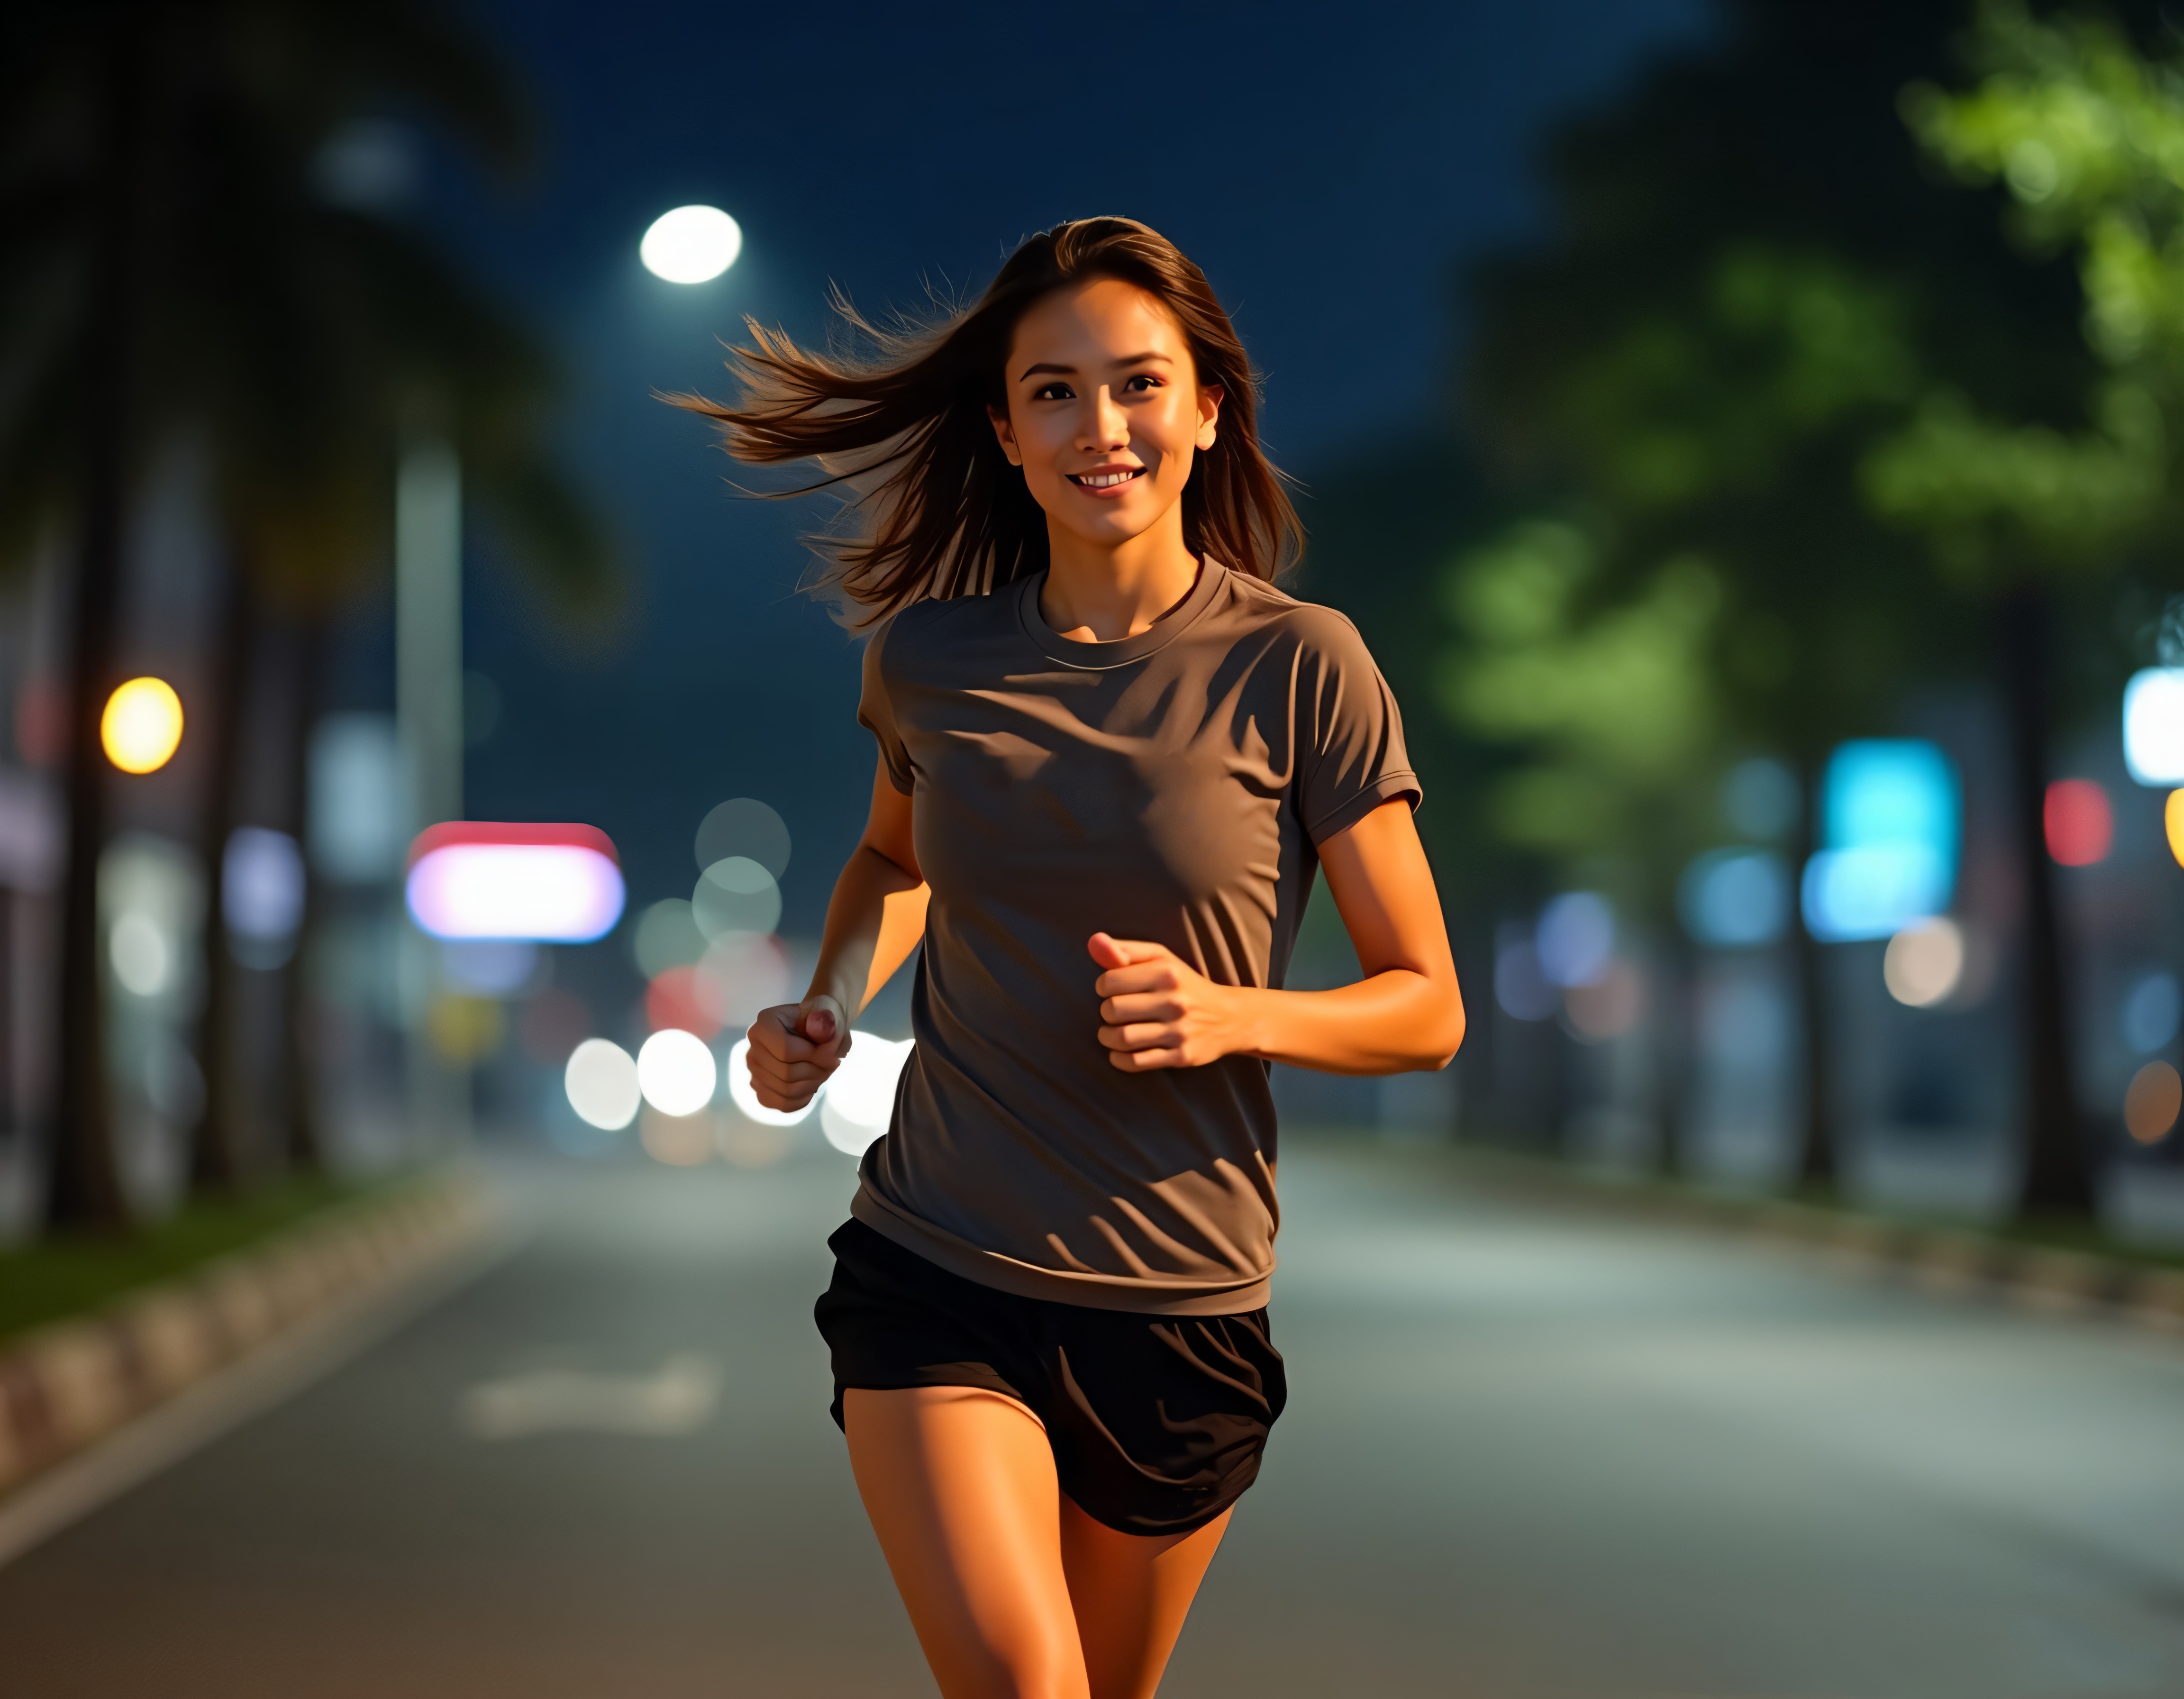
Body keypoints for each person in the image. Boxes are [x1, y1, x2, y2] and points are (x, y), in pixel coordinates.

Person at [679, 217, 1465, 1699]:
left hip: (1184, 1303)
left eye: (1139, 385)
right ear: (1006, 428)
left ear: (1208, 408)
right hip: (940, 1257)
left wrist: (1237, 1013)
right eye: (1054, 391)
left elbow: (1426, 1007)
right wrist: (826, 1002)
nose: (1100, 427)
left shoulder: (1304, 664)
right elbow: (896, 861)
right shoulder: (930, 657)